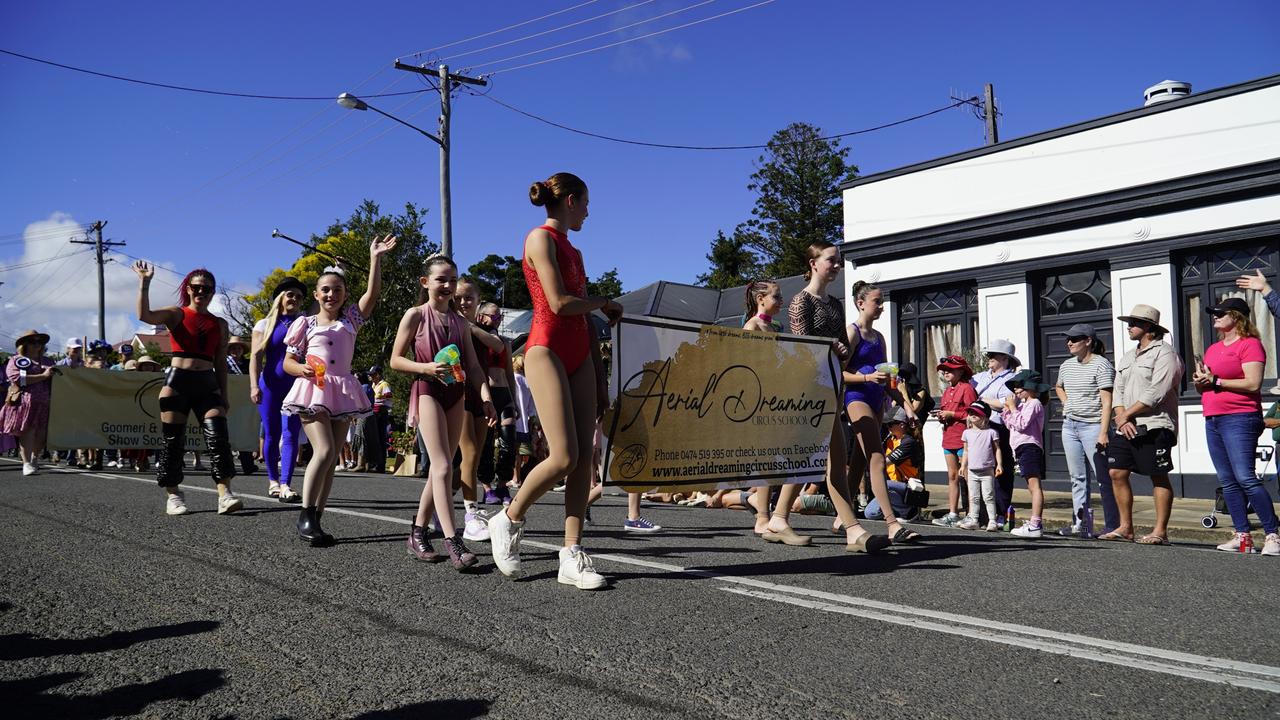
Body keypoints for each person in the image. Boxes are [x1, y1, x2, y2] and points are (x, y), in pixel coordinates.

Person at [486, 173, 624, 590]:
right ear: (568, 200)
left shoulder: (575, 250)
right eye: (585, 202)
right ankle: (508, 520)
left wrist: (600, 382)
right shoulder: (538, 239)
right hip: (544, 348)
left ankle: (572, 553)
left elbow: (580, 318)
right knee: (563, 457)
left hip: (581, 353)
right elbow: (560, 304)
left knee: (586, 460)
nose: (587, 210)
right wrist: (603, 302)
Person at [281, 236, 397, 545]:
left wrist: (375, 258)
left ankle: (317, 516)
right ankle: (305, 512)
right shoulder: (305, 324)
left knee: (331, 458)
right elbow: (288, 363)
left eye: (338, 289)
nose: (332, 294)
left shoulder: (351, 321)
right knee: (326, 450)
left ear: (345, 294)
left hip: (342, 390)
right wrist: (302, 368)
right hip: (313, 389)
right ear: (317, 294)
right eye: (326, 289)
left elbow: (372, 294)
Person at [391, 254, 497, 570]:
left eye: (452, 279)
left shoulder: (460, 323)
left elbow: (474, 367)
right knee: (441, 466)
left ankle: (418, 532)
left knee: (444, 467)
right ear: (426, 282)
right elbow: (395, 360)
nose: (448, 285)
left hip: (457, 395)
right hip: (427, 391)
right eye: (441, 279)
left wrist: (486, 398)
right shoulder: (415, 315)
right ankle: (453, 539)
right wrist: (425, 367)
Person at [787, 241, 890, 553]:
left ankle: (782, 516)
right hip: (809, 387)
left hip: (832, 386)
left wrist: (841, 352)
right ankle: (851, 528)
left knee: (826, 459)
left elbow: (842, 351)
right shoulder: (799, 301)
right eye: (831, 260)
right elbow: (800, 348)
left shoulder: (835, 304)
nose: (837, 265)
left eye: (838, 261)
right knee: (812, 457)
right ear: (813, 263)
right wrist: (834, 348)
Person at [133, 260, 241, 516]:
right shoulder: (176, 314)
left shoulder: (220, 324)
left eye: (208, 289)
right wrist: (145, 283)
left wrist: (224, 395)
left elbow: (220, 364)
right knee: (173, 442)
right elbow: (144, 316)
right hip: (178, 382)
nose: (202, 292)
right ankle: (174, 495)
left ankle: (225, 494)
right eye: (197, 287)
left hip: (207, 384)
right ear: (188, 289)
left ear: (213, 292)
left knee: (218, 439)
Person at [1193, 297, 1278, 555]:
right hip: (1213, 417)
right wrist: (1201, 382)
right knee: (1227, 480)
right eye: (1213, 313)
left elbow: (1253, 384)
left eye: (1219, 313)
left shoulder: (1250, 345)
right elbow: (1205, 384)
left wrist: (1215, 380)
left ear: (1237, 316)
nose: (1214, 316)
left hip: (1240, 417)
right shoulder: (1213, 348)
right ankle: (1243, 537)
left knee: (1246, 478)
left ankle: (1273, 535)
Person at [841, 280, 921, 544]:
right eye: (877, 301)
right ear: (860, 303)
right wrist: (865, 379)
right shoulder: (852, 333)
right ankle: (892, 524)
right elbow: (838, 373)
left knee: (860, 461)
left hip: (877, 400)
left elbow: (888, 378)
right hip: (856, 398)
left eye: (882, 301)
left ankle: (842, 517)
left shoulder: (880, 338)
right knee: (876, 456)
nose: (882, 306)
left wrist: (907, 406)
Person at [1102, 304, 1183, 544]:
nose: (1129, 327)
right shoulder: (1128, 356)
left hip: (1155, 424)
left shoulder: (1165, 353)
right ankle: (1125, 527)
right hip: (1125, 423)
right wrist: (1121, 415)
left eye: (1134, 323)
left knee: (1157, 474)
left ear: (1149, 327)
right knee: (1116, 472)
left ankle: (1160, 531)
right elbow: (1118, 389)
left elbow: (1157, 392)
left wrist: (1126, 414)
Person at [1054, 322, 1117, 537]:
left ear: (1088, 341)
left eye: (1075, 339)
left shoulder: (1102, 365)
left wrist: (1103, 431)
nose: (1069, 342)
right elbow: (1058, 386)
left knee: (1103, 478)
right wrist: (1066, 403)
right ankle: (1081, 525)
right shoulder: (1066, 365)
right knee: (1077, 478)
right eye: (1068, 339)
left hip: (1093, 427)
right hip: (1070, 426)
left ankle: (1112, 525)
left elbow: (1107, 402)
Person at [250, 276, 307, 502]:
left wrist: (337, 268)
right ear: (280, 298)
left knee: (291, 433)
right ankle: (273, 481)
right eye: (290, 294)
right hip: (270, 385)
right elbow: (255, 357)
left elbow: (324, 301)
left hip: (295, 386)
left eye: (299, 296)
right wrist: (254, 385)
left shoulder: (304, 321)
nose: (294, 298)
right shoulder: (264, 324)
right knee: (272, 434)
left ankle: (286, 484)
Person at [475, 301, 519, 507]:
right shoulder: (476, 340)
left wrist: (515, 401)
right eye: (494, 317)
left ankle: (503, 484)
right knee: (484, 443)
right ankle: (486, 487)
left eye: (500, 317)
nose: (498, 320)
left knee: (509, 441)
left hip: (504, 394)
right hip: (486, 394)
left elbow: (510, 375)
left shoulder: (505, 343)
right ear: (480, 317)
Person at [971, 339, 1018, 523]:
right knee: (979, 468)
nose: (988, 358)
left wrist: (983, 400)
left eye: (993, 355)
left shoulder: (1011, 379)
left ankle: (1002, 513)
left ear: (1005, 359)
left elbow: (1005, 403)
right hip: (978, 429)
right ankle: (981, 513)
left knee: (1001, 469)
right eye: (988, 355)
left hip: (999, 428)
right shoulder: (980, 376)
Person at [1, 330, 57, 476]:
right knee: (29, 431)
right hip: (25, 402)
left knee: (43, 434)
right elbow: (18, 379)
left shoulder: (48, 361)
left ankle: (33, 458)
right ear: (24, 344)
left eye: (39, 342)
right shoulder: (16, 360)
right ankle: (26, 463)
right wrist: (43, 375)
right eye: (33, 341)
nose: (37, 345)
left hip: (45, 402)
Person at [931, 355, 977, 527]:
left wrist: (953, 414)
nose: (946, 372)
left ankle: (973, 514)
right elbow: (946, 411)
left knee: (967, 476)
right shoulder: (947, 391)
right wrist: (942, 416)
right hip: (948, 437)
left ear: (961, 371)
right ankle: (953, 513)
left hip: (964, 438)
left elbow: (974, 415)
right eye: (945, 370)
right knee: (952, 475)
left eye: (950, 369)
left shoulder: (967, 388)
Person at [1004, 370, 1050, 539]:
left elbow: (1022, 424)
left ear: (1031, 387)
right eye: (1015, 387)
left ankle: (1035, 524)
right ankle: (1034, 523)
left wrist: (1013, 408)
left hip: (1029, 446)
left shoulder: (1034, 403)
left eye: (1020, 386)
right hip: (1020, 448)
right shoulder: (1023, 405)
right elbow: (1010, 424)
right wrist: (1009, 410)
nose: (1016, 390)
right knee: (1031, 486)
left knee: (1034, 486)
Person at [957, 402, 1001, 531]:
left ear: (985, 417)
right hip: (972, 471)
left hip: (987, 470)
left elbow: (997, 449)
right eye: (971, 413)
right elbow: (966, 451)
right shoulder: (966, 433)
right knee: (974, 497)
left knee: (989, 496)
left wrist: (999, 464)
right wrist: (963, 465)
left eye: (976, 413)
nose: (973, 415)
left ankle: (992, 520)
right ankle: (974, 520)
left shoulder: (991, 432)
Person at [364, 365, 392, 474]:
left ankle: (380, 465)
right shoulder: (373, 385)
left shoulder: (384, 384)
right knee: (374, 438)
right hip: (373, 413)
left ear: (378, 375)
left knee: (380, 438)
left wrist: (380, 405)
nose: (370, 376)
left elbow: (388, 399)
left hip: (380, 414)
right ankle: (374, 463)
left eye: (373, 374)